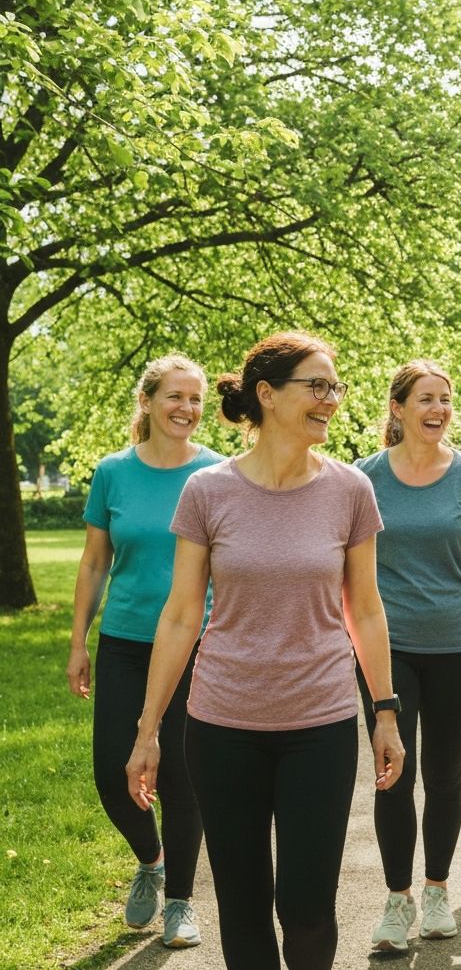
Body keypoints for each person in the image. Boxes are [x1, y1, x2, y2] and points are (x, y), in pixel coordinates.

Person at [125, 332, 404, 970]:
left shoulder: (350, 491)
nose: (331, 399)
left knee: (307, 912)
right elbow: (180, 615)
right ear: (268, 395)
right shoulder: (208, 492)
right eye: (318, 386)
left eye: (335, 387)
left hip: (322, 723)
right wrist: (148, 731)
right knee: (243, 909)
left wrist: (384, 712)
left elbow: (365, 608)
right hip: (223, 726)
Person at [355, 360, 461, 952]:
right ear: (398, 408)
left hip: (457, 644)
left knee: (444, 777)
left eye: (446, 400)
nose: (439, 410)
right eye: (426, 398)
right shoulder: (363, 477)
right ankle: (396, 902)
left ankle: (436, 891)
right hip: (386, 648)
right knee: (393, 774)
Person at [67, 354, 223, 948]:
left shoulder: (216, 473)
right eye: (175, 397)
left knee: (183, 776)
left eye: (195, 398)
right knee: (113, 771)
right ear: (148, 403)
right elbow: (95, 560)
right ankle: (152, 861)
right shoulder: (113, 472)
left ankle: (181, 902)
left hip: (198, 645)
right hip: (127, 641)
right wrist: (78, 641)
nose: (186, 408)